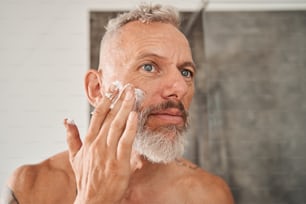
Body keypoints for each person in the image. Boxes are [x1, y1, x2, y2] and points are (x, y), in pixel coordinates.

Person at [2, 3, 234, 204]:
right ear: (96, 89)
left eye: (186, 72)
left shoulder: (209, 195)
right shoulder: (30, 187)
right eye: (149, 67)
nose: (181, 88)